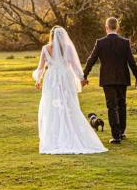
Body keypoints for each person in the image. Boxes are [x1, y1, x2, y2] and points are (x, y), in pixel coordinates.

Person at [32, 26, 108, 154]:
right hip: (65, 78)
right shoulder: (67, 48)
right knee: (69, 104)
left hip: (52, 79)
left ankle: (54, 137)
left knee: (52, 106)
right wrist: (81, 78)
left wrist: (38, 80)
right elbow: (74, 66)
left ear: (51, 36)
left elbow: (41, 67)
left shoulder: (46, 48)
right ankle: (70, 132)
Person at [82, 17, 137, 144]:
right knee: (122, 104)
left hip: (107, 79)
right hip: (122, 78)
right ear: (117, 27)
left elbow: (91, 60)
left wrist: (84, 75)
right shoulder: (124, 42)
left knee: (112, 106)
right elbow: (132, 62)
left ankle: (116, 136)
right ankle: (121, 131)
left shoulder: (100, 42)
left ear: (106, 27)